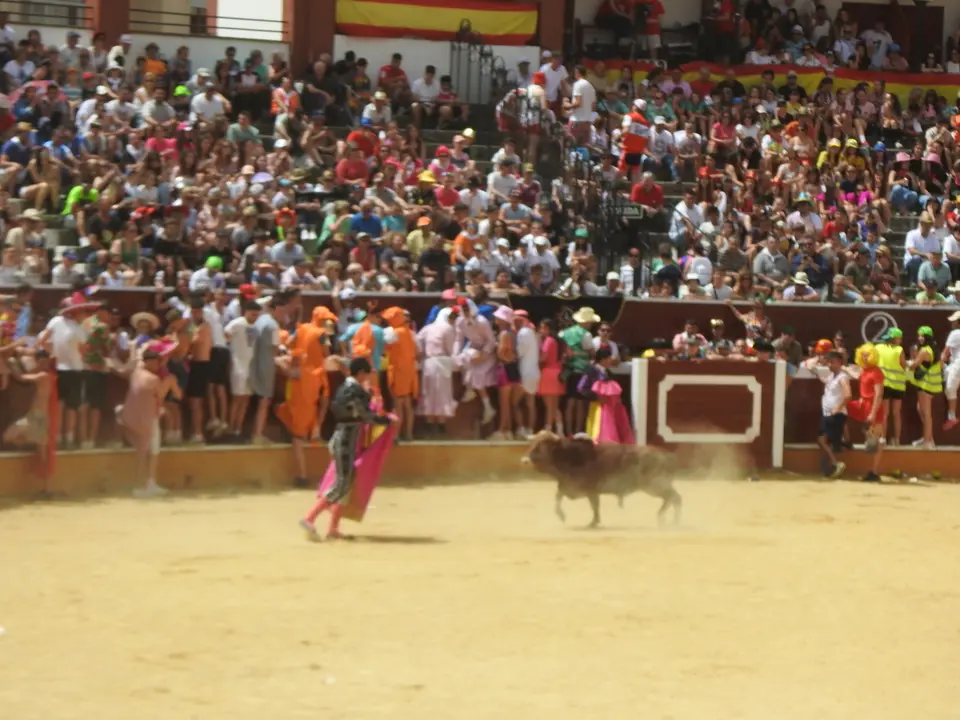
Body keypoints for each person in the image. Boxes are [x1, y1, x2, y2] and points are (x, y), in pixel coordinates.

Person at [299, 357, 395, 542]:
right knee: (342, 484)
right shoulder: (352, 390)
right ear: (360, 373)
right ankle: (309, 518)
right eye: (366, 374)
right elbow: (365, 415)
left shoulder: (350, 388)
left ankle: (333, 529)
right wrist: (387, 420)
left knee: (346, 483)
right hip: (345, 441)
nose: (367, 377)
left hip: (347, 440)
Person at [276, 306, 334, 488]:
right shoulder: (322, 333)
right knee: (321, 401)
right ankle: (315, 431)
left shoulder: (301, 328)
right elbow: (326, 353)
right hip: (314, 375)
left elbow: (288, 344)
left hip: (300, 376)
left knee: (293, 412)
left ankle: (311, 431)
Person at [117, 345, 181, 497]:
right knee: (150, 451)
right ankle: (145, 485)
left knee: (143, 451)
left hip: (130, 416)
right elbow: (169, 396)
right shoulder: (154, 379)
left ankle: (143, 484)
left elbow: (140, 358)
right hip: (146, 419)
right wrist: (171, 382)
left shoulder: (137, 370)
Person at [3, 349, 55, 487]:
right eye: (43, 361)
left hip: (35, 417)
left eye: (46, 361)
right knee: (42, 453)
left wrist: (12, 364)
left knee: (7, 436)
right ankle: (48, 488)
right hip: (40, 417)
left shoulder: (43, 375)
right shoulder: (43, 374)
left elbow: (22, 378)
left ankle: (48, 488)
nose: (45, 363)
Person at [845, 344, 886, 482]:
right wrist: (844, 368)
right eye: (862, 355)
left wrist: (873, 412)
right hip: (864, 404)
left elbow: (879, 394)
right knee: (842, 410)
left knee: (875, 439)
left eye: (867, 355)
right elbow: (858, 376)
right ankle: (846, 440)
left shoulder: (877, 372)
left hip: (873, 406)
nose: (865, 357)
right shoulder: (864, 371)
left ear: (873, 355)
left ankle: (874, 471)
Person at [416, 306, 459, 436]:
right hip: (442, 363)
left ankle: (429, 424)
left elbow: (417, 340)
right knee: (442, 393)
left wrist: (422, 354)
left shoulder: (428, 328)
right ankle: (441, 425)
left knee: (428, 392)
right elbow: (452, 349)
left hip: (428, 363)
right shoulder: (448, 329)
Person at [582, 347, 634, 444]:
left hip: (609, 408)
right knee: (597, 431)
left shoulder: (607, 372)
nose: (610, 361)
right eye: (609, 358)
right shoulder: (592, 371)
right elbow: (582, 388)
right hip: (597, 407)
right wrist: (597, 398)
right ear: (603, 359)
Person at [560, 307, 599, 435]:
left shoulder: (565, 333)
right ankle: (578, 430)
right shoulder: (586, 335)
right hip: (582, 370)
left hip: (569, 370)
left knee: (570, 402)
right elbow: (592, 353)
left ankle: (568, 430)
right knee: (581, 403)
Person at [224, 300, 260, 437]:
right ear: (245, 312)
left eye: (257, 315)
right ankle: (230, 427)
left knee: (246, 399)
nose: (254, 317)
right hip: (238, 365)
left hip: (251, 366)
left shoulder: (257, 326)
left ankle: (238, 428)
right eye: (252, 314)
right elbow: (226, 335)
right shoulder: (237, 323)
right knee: (237, 398)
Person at [382, 307, 418, 442]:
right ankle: (408, 434)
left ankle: (395, 435)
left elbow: (383, 349)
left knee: (398, 403)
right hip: (410, 371)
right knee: (407, 403)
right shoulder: (410, 332)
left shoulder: (393, 333)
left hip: (399, 371)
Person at [907, 326, 942, 450]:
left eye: (922, 336)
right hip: (931, 385)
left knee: (926, 414)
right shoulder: (935, 350)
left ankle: (928, 442)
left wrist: (907, 363)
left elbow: (914, 365)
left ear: (928, 337)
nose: (920, 338)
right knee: (920, 409)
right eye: (919, 335)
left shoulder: (924, 351)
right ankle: (928, 437)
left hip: (925, 385)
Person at [817, 350, 850, 478]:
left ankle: (836, 463)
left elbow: (848, 395)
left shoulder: (842, 377)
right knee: (824, 440)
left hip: (835, 414)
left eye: (833, 362)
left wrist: (837, 408)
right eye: (829, 362)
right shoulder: (832, 377)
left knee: (822, 440)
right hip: (828, 414)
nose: (830, 364)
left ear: (840, 363)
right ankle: (832, 465)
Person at [875, 327, 906, 446]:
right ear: (895, 338)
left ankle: (883, 438)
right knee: (896, 413)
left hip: (885, 384)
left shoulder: (878, 348)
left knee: (884, 413)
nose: (901, 341)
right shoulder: (899, 350)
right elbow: (904, 365)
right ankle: (897, 439)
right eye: (899, 338)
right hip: (898, 385)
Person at [514, 309, 540, 438]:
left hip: (525, 372)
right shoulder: (532, 332)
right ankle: (530, 430)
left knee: (514, 402)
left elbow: (520, 352)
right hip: (534, 372)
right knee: (531, 403)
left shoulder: (522, 333)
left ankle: (521, 429)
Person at [537, 317, 564, 435]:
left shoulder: (548, 340)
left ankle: (548, 428)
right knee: (554, 405)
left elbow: (543, 357)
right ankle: (559, 430)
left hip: (548, 373)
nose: (541, 330)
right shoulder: (559, 341)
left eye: (543, 328)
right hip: (558, 373)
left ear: (548, 329)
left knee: (549, 405)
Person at [943, 311, 960, 431]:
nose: (952, 323)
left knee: (950, 388)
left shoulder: (955, 333)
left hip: (957, 364)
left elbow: (945, 353)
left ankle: (952, 416)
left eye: (954, 321)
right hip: (954, 364)